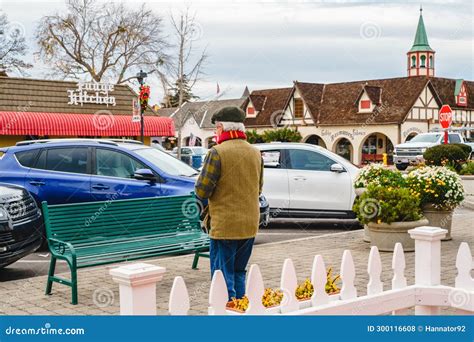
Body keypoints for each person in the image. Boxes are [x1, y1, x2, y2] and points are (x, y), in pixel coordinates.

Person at [195, 106, 263, 302]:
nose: (215, 132)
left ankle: (226, 311)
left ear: (222, 128)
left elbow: (202, 190)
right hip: (249, 225)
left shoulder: (216, 153)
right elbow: (258, 189)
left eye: (216, 128)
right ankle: (241, 309)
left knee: (222, 277)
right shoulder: (255, 153)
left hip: (225, 226)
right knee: (239, 272)